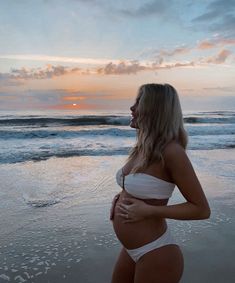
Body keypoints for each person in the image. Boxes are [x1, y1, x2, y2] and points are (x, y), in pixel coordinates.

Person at [110, 83, 211, 283]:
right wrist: (121, 196)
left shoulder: (172, 152)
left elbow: (201, 210)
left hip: (156, 253)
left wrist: (150, 211)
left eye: (139, 102)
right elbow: (145, 189)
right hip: (131, 250)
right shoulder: (143, 149)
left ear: (155, 109)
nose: (132, 108)